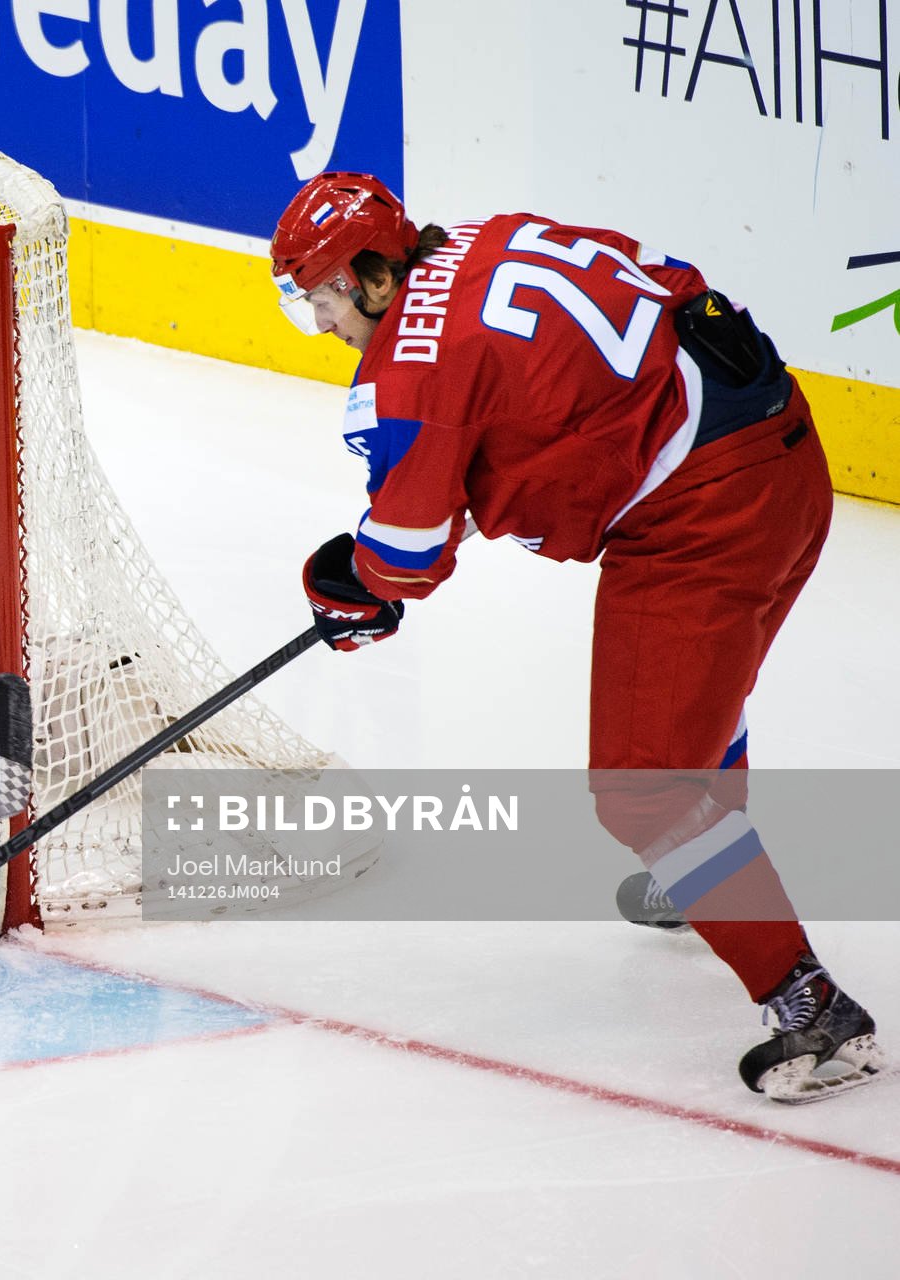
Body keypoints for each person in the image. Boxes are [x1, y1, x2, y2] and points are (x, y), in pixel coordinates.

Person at [270, 172, 883, 1103]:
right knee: (691, 708)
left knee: (644, 790)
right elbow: (546, 412)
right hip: (787, 460)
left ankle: (809, 1008)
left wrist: (351, 581)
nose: (319, 324)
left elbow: (405, 558)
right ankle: (706, 883)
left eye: (319, 296)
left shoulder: (412, 363)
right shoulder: (484, 238)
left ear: (370, 276)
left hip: (703, 522)